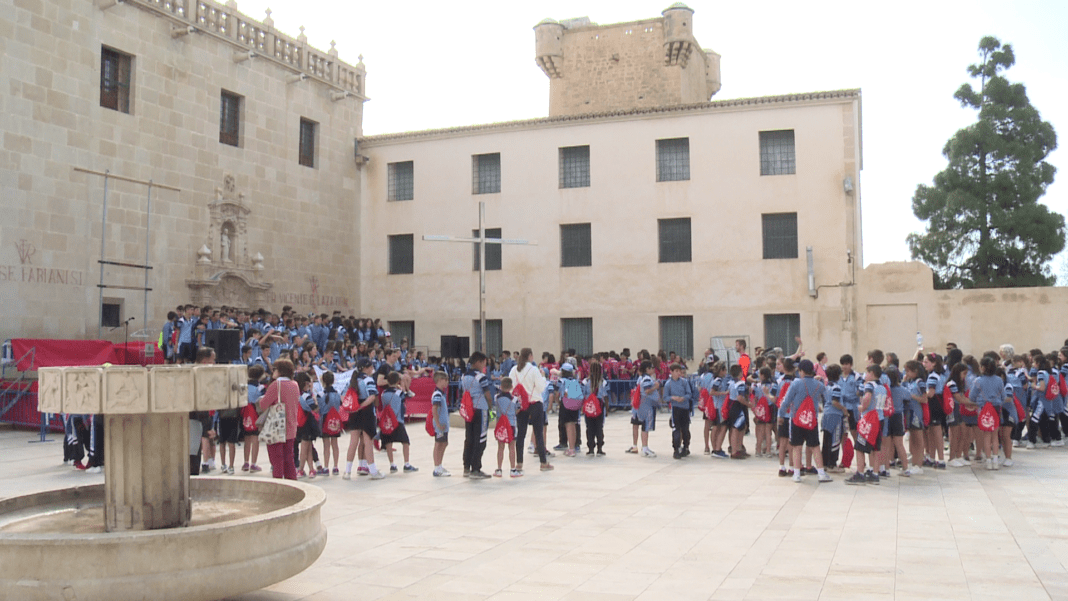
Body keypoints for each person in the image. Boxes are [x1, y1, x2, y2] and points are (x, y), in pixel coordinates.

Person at [780, 360, 833, 483]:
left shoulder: (796, 383)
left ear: (802, 371)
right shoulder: (819, 385)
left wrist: (780, 415)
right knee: (815, 446)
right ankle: (821, 473)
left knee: (796, 447)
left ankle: (797, 474)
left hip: (796, 419)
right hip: (811, 419)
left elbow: (786, 401)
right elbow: (828, 398)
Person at [508, 348, 552, 472]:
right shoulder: (534, 370)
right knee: (538, 433)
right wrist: (543, 377)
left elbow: (511, 387)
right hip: (535, 403)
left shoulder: (514, 370)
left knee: (521, 434)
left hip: (521, 404)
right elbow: (541, 387)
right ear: (530, 356)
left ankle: (519, 463)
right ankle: (543, 462)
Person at [259, 358, 300, 480]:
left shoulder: (276, 385)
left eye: (274, 369)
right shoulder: (295, 385)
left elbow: (263, 405)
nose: (273, 371)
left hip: (276, 426)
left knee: (276, 460)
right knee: (289, 459)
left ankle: (278, 485)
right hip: (291, 425)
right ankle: (292, 484)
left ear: (280, 370)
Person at [343, 358, 384, 480]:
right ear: (366, 368)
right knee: (368, 442)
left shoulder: (352, 380)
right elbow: (372, 397)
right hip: (366, 413)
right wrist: (361, 406)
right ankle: (373, 471)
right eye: (371, 366)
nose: (372, 369)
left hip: (354, 413)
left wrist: (353, 407)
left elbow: (343, 396)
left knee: (353, 442)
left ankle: (347, 471)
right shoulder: (368, 380)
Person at [462, 351, 493, 479]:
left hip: (469, 409)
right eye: (484, 363)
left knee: (469, 438)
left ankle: (466, 466)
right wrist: (491, 408)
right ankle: (476, 468)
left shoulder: (464, 376)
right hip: (481, 409)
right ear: (479, 362)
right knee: (480, 439)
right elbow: (487, 395)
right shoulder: (481, 377)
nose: (484, 366)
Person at [381, 371, 418, 474]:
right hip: (398, 420)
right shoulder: (399, 393)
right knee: (405, 442)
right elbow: (410, 395)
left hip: (388, 421)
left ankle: (392, 464)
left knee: (388, 442)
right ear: (398, 381)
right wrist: (404, 387)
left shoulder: (383, 393)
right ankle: (406, 464)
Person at [663, 363, 694, 459]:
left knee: (685, 429)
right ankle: (676, 448)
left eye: (679, 371)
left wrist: (683, 398)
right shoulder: (668, 384)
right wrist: (673, 398)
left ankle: (686, 447)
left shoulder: (684, 382)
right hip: (676, 408)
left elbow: (689, 394)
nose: (678, 373)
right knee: (676, 429)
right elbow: (665, 397)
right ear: (671, 372)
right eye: (676, 371)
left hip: (685, 408)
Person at [821, 364, 846, 473]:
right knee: (835, 439)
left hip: (826, 413)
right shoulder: (836, 387)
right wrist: (844, 409)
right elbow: (835, 402)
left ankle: (824, 463)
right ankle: (832, 464)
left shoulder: (826, 386)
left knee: (826, 439)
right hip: (835, 415)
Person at [294, 372, 319, 479]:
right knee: (305, 448)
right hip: (307, 424)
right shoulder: (306, 396)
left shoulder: (296, 395)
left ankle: (311, 469)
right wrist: (316, 401)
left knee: (307, 448)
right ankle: (301, 470)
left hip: (298, 423)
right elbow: (315, 408)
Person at [494, 377, 520, 477]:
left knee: (500, 447)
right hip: (511, 424)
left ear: (500, 386)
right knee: (512, 447)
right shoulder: (514, 399)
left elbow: (495, 409)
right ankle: (513, 469)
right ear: (511, 387)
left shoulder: (496, 397)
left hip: (500, 424)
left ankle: (499, 469)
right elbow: (518, 409)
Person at [242, 364, 265, 473]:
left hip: (245, 414)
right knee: (255, 439)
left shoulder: (244, 386)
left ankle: (245, 462)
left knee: (247, 438)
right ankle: (253, 464)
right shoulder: (260, 388)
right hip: (256, 414)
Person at [557, 363, 584, 456]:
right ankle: (574, 446)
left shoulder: (562, 381)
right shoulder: (575, 380)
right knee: (573, 424)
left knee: (568, 426)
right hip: (576, 404)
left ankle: (571, 449)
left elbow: (557, 391)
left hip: (566, 404)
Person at [635, 360, 660, 458]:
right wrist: (655, 387)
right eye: (652, 368)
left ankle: (645, 447)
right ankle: (644, 448)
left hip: (648, 405)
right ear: (647, 369)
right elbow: (647, 391)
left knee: (646, 426)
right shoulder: (646, 379)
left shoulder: (647, 378)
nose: (653, 369)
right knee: (645, 426)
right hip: (646, 405)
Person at [726, 364, 750, 459]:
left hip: (731, 405)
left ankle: (738, 449)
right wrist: (748, 404)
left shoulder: (730, 382)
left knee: (740, 427)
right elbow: (740, 397)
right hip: (737, 406)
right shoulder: (740, 384)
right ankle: (735, 450)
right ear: (740, 373)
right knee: (736, 428)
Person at [430, 371, 451, 477]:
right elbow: (434, 408)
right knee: (439, 444)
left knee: (444, 443)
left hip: (443, 424)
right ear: (439, 380)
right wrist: (437, 423)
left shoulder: (441, 393)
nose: (447, 382)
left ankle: (439, 465)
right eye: (445, 380)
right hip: (440, 425)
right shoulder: (437, 394)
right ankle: (437, 467)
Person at [584, 361, 607, 456]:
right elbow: (605, 395)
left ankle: (590, 448)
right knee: (599, 427)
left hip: (589, 406)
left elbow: (584, 394)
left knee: (589, 427)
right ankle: (600, 448)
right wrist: (607, 409)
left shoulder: (586, 381)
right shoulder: (603, 382)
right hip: (599, 406)